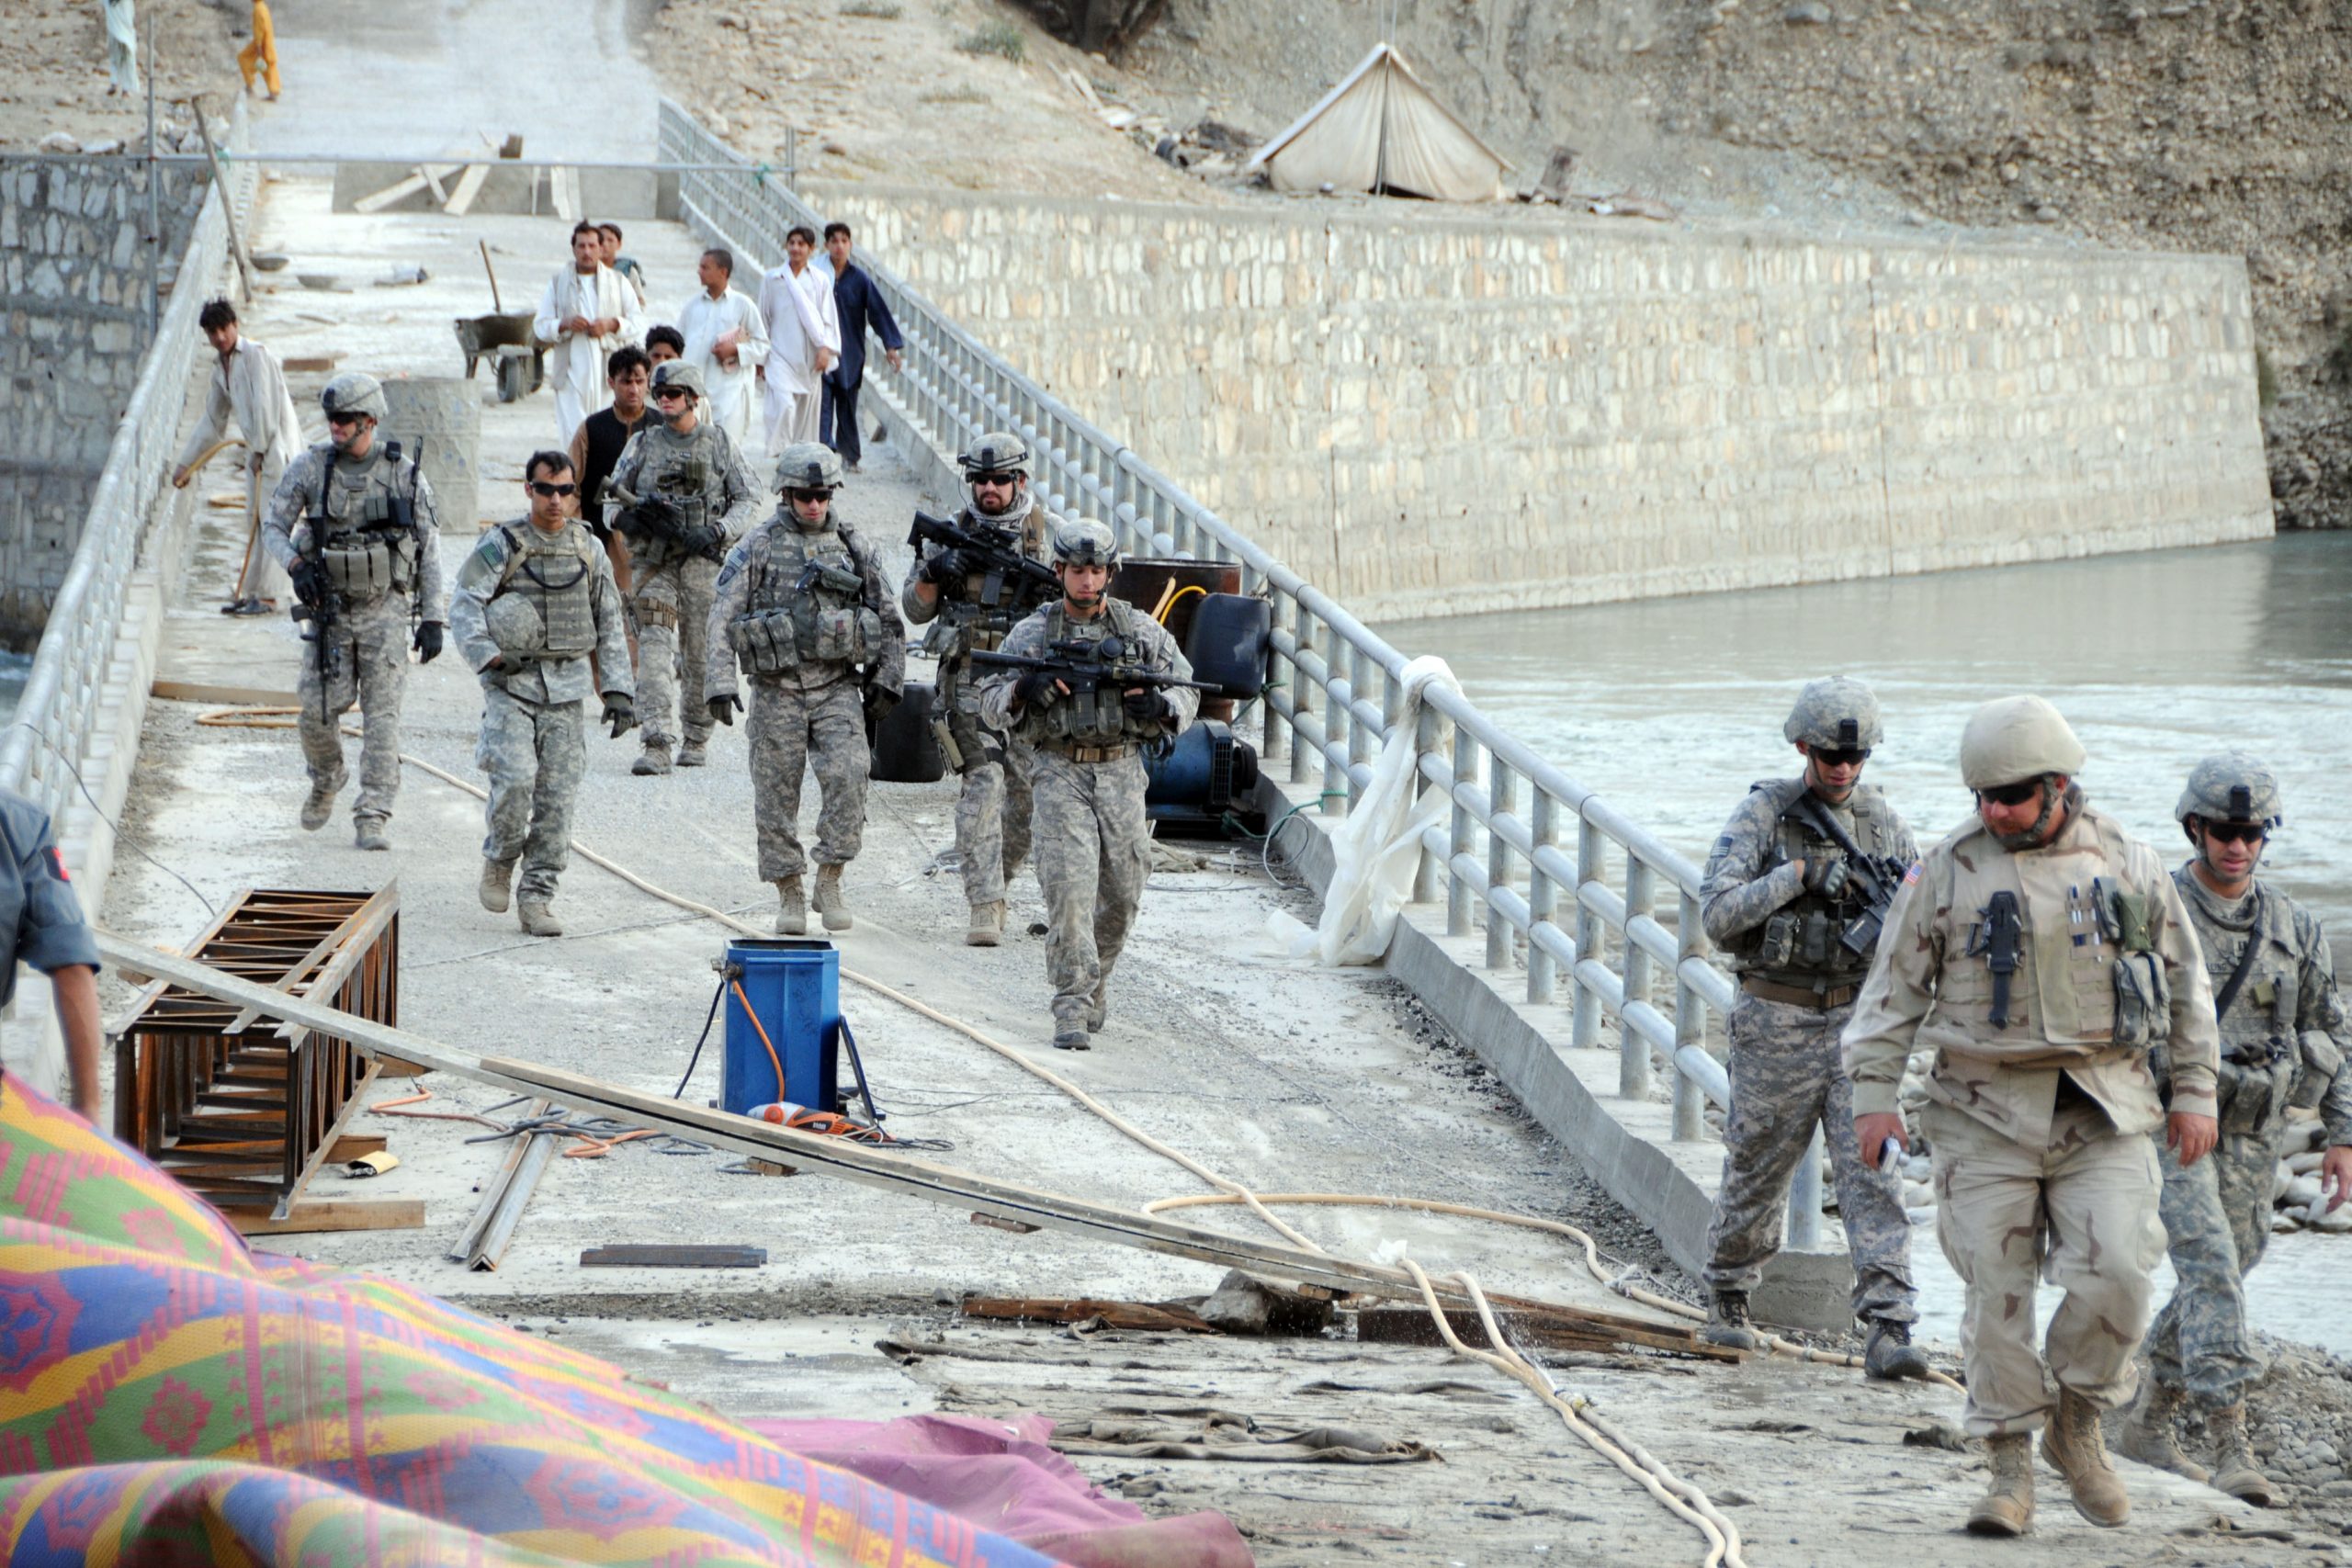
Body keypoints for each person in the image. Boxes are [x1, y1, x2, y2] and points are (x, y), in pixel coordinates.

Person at [1843, 695, 2219, 1537]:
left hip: (2104, 1107)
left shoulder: (2127, 860)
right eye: (1982, 796)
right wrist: (1874, 1098)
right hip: (1982, 1113)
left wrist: (2195, 1092)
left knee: (2121, 1270)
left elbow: (2188, 990)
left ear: (2056, 785)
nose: (1993, 811)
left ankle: (2076, 1420)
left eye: (2010, 795)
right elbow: (1890, 993)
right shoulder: (1946, 870)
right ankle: (2008, 1465)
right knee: (1995, 1295)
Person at [2115, 753, 2352, 1503]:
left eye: (2250, 832)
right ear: (2194, 828)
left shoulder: (2292, 926)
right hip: (2173, 1121)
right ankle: (2229, 1438)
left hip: (2255, 1128)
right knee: (2212, 1264)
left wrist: (2341, 1134)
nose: (2237, 845)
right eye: (2223, 830)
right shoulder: (2155, 911)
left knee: (2233, 1262)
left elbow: (2332, 1029)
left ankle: (2145, 1418)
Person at [1694, 678, 1927, 1379]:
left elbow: (1923, 914)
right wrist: (1797, 875)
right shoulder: (1765, 814)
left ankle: (1889, 1325)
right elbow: (1718, 913)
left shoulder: (1885, 824)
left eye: (1855, 755)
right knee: (1758, 1162)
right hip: (1779, 1016)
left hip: (1859, 1021)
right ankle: (1728, 1297)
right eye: (1830, 753)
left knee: (1874, 1173)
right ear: (1803, 746)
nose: (1843, 767)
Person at [978, 520, 1198, 1051]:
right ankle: (1071, 1004)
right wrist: (1023, 690)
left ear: (1110, 573)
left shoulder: (1139, 631)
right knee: (1070, 893)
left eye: (1097, 570)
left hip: (1122, 771)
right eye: (1078, 570)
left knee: (1123, 892)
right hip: (1058, 772)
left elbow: (1188, 689)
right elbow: (987, 700)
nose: (1088, 580)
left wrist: (1160, 707)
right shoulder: (1033, 633)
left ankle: (1097, 979)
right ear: (1060, 572)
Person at [706, 443, 904, 936]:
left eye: (821, 495)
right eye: (802, 496)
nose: (813, 505)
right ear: (785, 494)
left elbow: (888, 617)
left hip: (836, 686)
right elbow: (722, 615)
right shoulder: (759, 545)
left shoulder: (853, 545)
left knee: (850, 774)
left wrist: (887, 680)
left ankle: (831, 876)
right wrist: (719, 681)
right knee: (775, 794)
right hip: (777, 689)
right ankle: (790, 889)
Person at [447, 452, 635, 938]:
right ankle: (501, 858)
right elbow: (465, 603)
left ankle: (537, 897)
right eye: (546, 489)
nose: (556, 500)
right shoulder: (502, 544)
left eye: (566, 491)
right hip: (512, 685)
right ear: (528, 489)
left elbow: (610, 619)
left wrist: (617, 689)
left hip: (568, 690)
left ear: (575, 493)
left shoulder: (588, 547)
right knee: (513, 781)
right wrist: (488, 655)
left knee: (557, 800)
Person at [261, 373, 447, 852]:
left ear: (370, 421)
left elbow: (429, 547)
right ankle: (327, 776)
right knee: (316, 711)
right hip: (332, 611)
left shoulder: (403, 473)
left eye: (344, 420)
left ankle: (373, 814)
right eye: (331, 419)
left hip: (385, 608)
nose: (335, 428)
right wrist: (296, 564)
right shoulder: (310, 468)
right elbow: (273, 527)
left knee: (382, 719)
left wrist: (432, 618)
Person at [902, 432, 1061, 946]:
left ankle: (1003, 879)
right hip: (968, 682)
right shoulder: (947, 535)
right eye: (980, 480)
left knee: (1024, 800)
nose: (989, 489)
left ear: (1020, 481)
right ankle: (985, 900)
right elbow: (914, 608)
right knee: (983, 786)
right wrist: (936, 570)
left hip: (1028, 686)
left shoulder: (1049, 539)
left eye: (999, 480)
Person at [603, 361, 758, 775]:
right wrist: (625, 520)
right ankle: (655, 741)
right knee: (653, 644)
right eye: (661, 394)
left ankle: (696, 735)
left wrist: (718, 530)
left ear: (693, 397)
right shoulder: (643, 444)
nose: (665, 400)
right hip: (655, 564)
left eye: (673, 393)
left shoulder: (719, 443)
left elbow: (749, 498)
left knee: (698, 651)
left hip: (702, 565)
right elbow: (611, 501)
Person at [171, 298, 300, 614]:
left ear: (234, 326)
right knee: (253, 519)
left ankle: (269, 595)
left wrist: (256, 450)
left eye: (223, 329)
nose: (219, 337)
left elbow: (266, 411)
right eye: (212, 332)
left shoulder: (257, 356)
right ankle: (254, 590)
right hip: (256, 453)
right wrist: (187, 464)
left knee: (272, 520)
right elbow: (213, 422)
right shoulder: (221, 368)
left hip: (276, 450)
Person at [0, 789, 103, 1118]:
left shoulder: (19, 823)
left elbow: (70, 959)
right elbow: (70, 960)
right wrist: (88, 1111)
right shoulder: (17, 822)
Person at [533, 221, 645, 445]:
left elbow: (639, 321)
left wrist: (611, 324)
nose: (587, 251)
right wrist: (564, 324)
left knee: (607, 431)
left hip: (607, 369)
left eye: (592, 246)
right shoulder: (558, 283)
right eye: (581, 246)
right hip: (571, 371)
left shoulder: (618, 281)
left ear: (601, 248)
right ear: (574, 248)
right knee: (574, 433)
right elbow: (540, 326)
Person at [566, 344, 654, 601]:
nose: (634, 389)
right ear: (611, 382)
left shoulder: (660, 427)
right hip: (600, 534)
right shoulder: (592, 428)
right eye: (626, 381)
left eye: (639, 381)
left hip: (647, 536)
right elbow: (572, 484)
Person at [820, 222, 903, 473]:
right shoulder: (817, 274)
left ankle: (850, 456)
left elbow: (877, 312)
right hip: (822, 352)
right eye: (834, 241)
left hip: (850, 353)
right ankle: (823, 454)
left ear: (851, 245)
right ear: (826, 245)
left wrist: (891, 345)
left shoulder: (860, 280)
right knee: (821, 406)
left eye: (844, 241)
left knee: (847, 405)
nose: (839, 246)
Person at [757, 226, 840, 453]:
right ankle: (779, 451)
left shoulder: (819, 280)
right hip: (779, 354)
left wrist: (825, 350)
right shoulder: (773, 279)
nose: (795, 248)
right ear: (786, 246)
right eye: (792, 243)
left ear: (811, 249)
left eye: (801, 244)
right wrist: (759, 357)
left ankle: (799, 456)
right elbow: (763, 317)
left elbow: (828, 319)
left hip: (809, 356)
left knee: (806, 413)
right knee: (784, 405)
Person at [678, 247, 769, 447]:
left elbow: (762, 345)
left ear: (723, 272)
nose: (699, 271)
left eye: (705, 267)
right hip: (695, 391)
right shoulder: (692, 306)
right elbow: (679, 343)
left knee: (725, 448)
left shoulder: (743, 305)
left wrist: (735, 350)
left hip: (729, 393)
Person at [238, 0, 280, 99]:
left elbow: (259, 29)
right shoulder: (263, 7)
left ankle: (250, 85)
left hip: (261, 42)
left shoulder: (258, 10)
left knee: (243, 58)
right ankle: (273, 90)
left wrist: (258, 45)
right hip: (267, 41)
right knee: (268, 65)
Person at [598, 221, 648, 306]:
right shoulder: (585, 269)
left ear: (619, 244)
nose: (605, 244)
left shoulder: (628, 272)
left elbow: (640, 303)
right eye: (601, 240)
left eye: (610, 240)